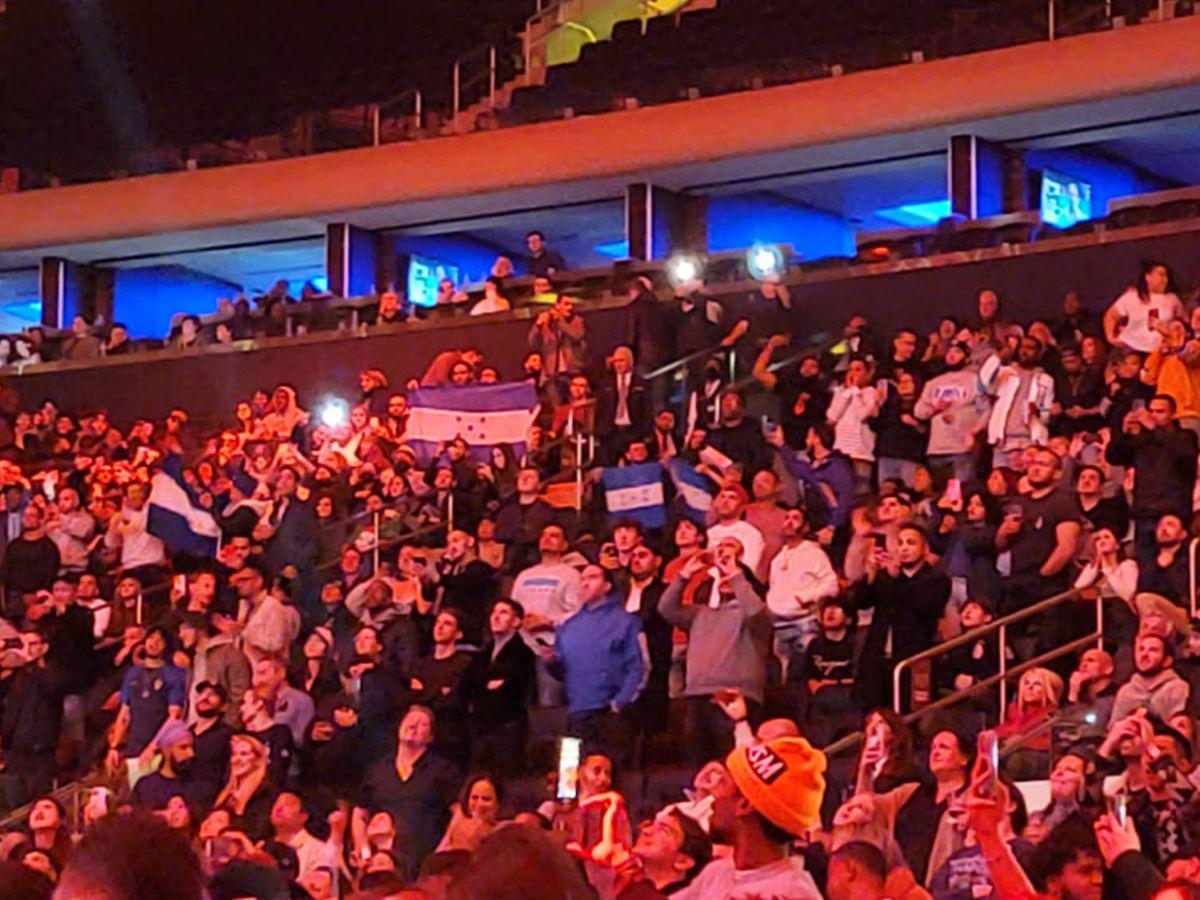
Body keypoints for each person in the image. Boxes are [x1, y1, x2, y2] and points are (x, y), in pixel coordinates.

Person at [659, 538, 772, 764]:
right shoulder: (700, 614)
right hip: (696, 697)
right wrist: (684, 575)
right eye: (721, 578)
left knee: (737, 765)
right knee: (700, 768)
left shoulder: (756, 614)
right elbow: (666, 608)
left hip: (737, 697)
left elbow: (754, 609)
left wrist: (735, 573)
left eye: (730, 578)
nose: (725, 580)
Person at [674, 736, 826, 899]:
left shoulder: (793, 894)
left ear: (744, 805)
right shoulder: (717, 873)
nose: (712, 794)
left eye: (723, 782)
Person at [549, 564, 645, 765]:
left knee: (612, 777)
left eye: (592, 577)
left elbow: (640, 666)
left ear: (607, 585)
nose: (584, 583)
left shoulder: (626, 621)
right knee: (568, 778)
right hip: (575, 714)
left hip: (609, 714)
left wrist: (620, 703)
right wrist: (550, 662)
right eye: (582, 579)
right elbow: (562, 672)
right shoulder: (568, 626)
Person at [355, 705, 461, 875]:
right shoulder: (377, 770)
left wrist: (443, 848)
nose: (414, 725)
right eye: (410, 720)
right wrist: (363, 849)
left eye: (422, 724)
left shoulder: (443, 770)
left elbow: (459, 812)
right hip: (382, 864)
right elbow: (360, 813)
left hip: (423, 863)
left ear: (431, 737)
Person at [856, 524, 951, 711]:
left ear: (925, 549)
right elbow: (860, 602)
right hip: (878, 659)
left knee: (910, 716)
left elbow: (922, 606)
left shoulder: (937, 580)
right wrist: (871, 573)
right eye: (900, 543)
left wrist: (896, 578)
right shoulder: (887, 576)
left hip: (912, 661)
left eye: (911, 543)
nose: (904, 548)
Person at [1106, 393, 1199, 564]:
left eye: (1160, 411)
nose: (1154, 415)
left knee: (1176, 565)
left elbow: (1184, 454)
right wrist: (1122, 432)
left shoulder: (1186, 436)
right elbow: (1114, 457)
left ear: (1173, 414)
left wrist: (1154, 428)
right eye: (1151, 411)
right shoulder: (1143, 440)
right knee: (1146, 567)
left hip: (1173, 514)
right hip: (1144, 512)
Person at [466, 598, 535, 780]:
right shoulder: (482, 655)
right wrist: (487, 685)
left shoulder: (523, 654)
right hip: (481, 729)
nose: (496, 617)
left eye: (503, 612)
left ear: (517, 621)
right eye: (494, 612)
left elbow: (511, 690)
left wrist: (486, 686)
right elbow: (470, 686)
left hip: (507, 729)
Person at [982, 335, 1055, 468]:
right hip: (1002, 440)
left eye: (1030, 348)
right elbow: (983, 383)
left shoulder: (1046, 380)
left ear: (1038, 353)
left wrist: (1038, 412)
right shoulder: (1005, 372)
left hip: (1030, 442)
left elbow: (1046, 414)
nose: (1024, 351)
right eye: (1022, 347)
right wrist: (999, 356)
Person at [1109, 631, 1189, 724]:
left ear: (1167, 661)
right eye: (1141, 649)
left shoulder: (1178, 688)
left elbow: (1178, 729)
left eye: (1153, 650)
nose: (1144, 654)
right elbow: (1113, 727)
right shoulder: (1126, 691)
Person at [1104, 260, 1184, 353]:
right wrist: (1110, 337)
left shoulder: (1172, 299)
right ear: (1148, 277)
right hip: (1131, 348)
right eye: (1161, 275)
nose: (1164, 279)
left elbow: (1184, 323)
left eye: (1166, 276)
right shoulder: (1132, 296)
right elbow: (1111, 316)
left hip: (1159, 351)